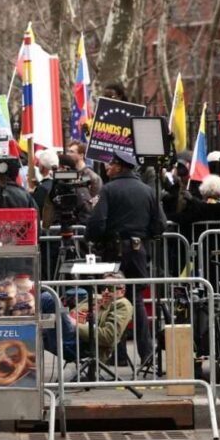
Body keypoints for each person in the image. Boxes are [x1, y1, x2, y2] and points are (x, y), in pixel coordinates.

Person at [85, 150, 166, 366]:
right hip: (138, 253)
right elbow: (160, 224)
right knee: (136, 300)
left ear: (120, 166)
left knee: (114, 299)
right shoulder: (147, 190)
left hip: (114, 252)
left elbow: (97, 223)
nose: (107, 168)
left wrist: (93, 238)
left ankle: (119, 354)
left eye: (111, 164)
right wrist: (144, 236)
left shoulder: (108, 190)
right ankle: (146, 353)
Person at [41, 272, 133, 362]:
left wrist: (75, 324)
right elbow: (72, 313)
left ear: (122, 291)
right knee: (37, 331)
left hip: (83, 344)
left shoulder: (122, 304)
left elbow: (108, 336)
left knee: (48, 297)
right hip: (69, 335)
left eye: (110, 288)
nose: (106, 291)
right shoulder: (96, 298)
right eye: (103, 287)